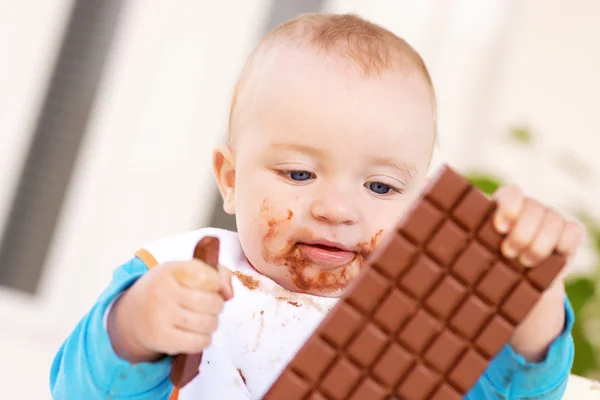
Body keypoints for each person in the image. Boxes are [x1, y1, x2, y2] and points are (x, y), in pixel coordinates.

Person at [50, 13, 583, 399]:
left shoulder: (425, 321)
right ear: (231, 180)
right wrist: (138, 326)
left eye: (380, 188)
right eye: (299, 174)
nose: (335, 209)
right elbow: (79, 388)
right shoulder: (185, 276)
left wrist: (531, 285)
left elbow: (518, 391)